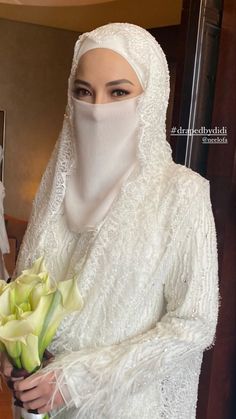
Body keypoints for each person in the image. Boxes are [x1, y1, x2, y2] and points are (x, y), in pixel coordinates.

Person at [1, 22, 219, 418]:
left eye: (118, 92)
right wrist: (15, 354)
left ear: (150, 99)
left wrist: (79, 379)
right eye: (83, 92)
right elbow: (25, 294)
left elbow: (194, 323)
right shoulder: (55, 190)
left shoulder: (181, 193)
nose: (98, 109)